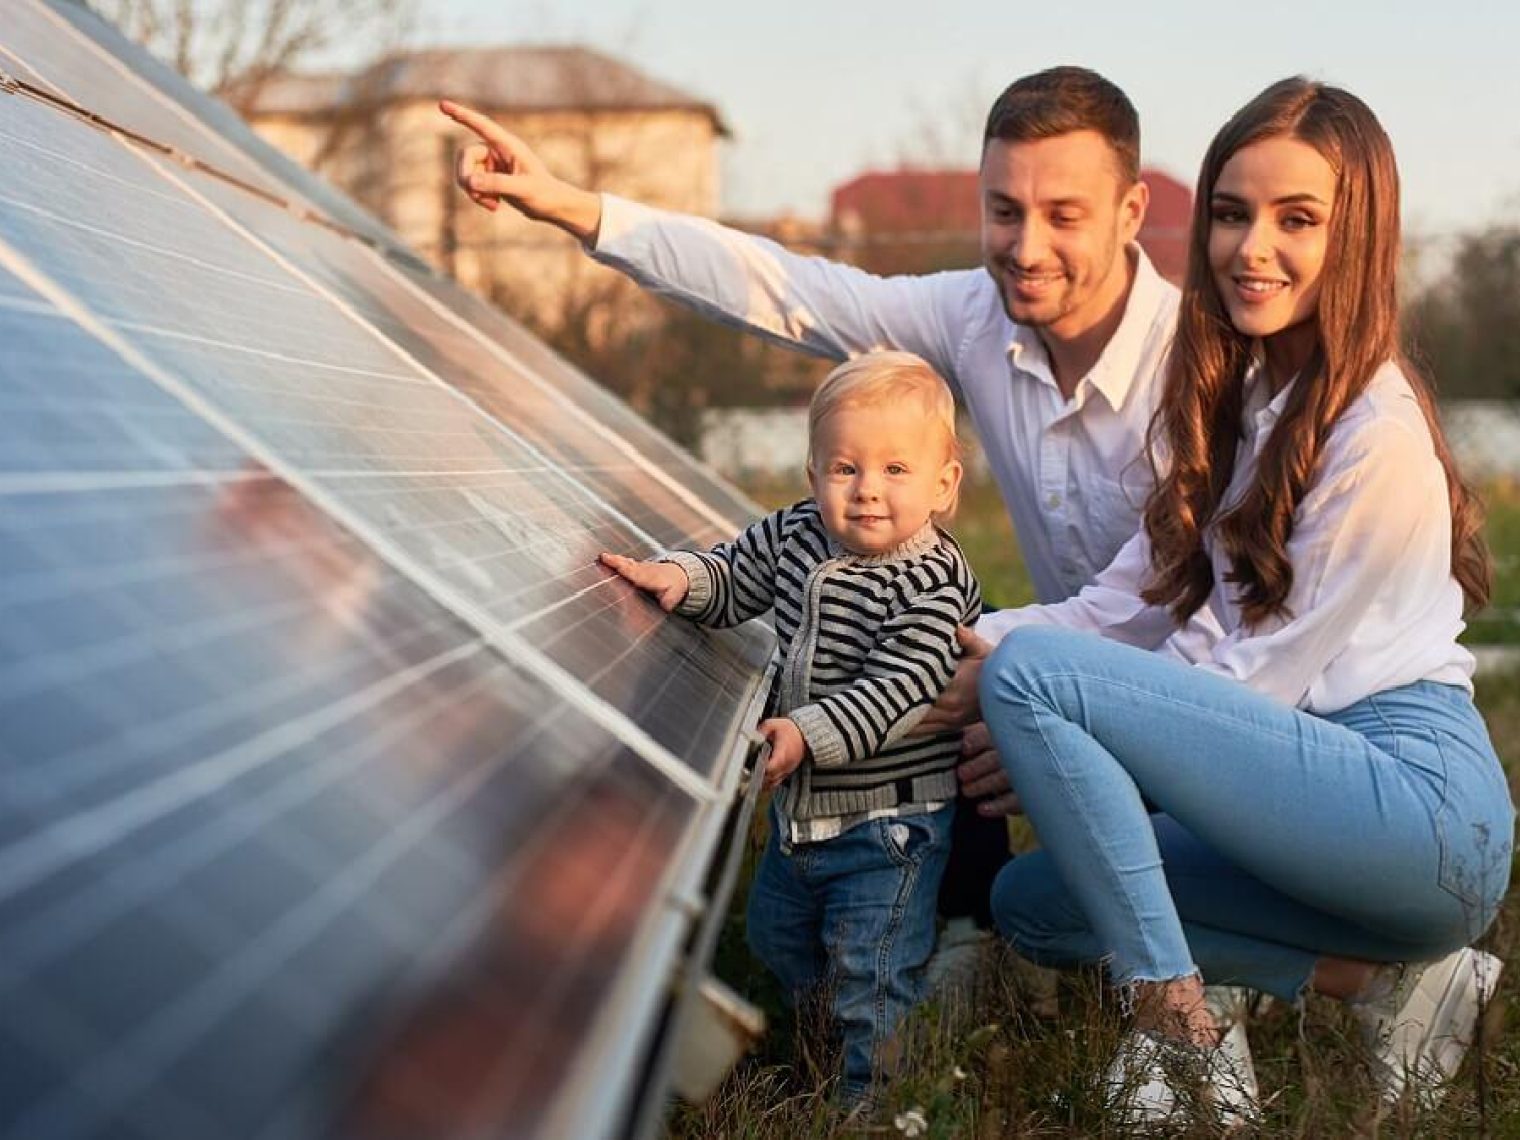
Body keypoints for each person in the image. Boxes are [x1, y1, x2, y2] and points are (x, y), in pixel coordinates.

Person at [440, 66, 1206, 978]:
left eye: (1064, 216)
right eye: (1005, 211)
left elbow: (1207, 613)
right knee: (924, 641)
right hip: (1059, 662)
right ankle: (955, 933)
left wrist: (1042, 700)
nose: (1027, 246)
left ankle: (1249, 960)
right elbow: (786, 289)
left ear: (1131, 212)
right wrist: (575, 208)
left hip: (1217, 698)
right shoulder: (975, 316)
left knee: (974, 665)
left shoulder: (1200, 367)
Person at [942, 77, 1513, 1125]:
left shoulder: (1371, 437)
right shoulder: (1250, 401)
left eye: (1295, 219)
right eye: (1229, 211)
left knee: (1032, 689)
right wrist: (947, 647)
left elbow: (1244, 686)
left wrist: (1041, 726)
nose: (1250, 247)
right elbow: (1125, 606)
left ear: (1358, 236)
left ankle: (1184, 1042)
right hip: (1299, 792)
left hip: (1411, 814)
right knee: (1035, 903)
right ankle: (1397, 988)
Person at [599, 351, 982, 1104]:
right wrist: (683, 578)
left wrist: (805, 731)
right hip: (802, 818)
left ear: (944, 483)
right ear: (812, 475)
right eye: (845, 468)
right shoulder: (798, 532)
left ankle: (870, 1101)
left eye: (896, 471)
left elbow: (899, 689)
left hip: (889, 828)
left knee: (868, 971)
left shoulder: (934, 584)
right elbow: (738, 573)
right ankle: (821, 1039)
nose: (868, 490)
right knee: (777, 935)